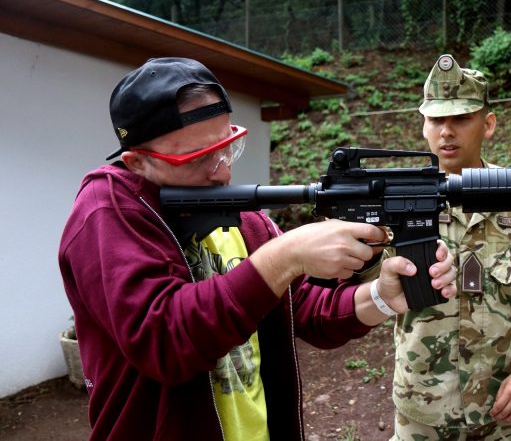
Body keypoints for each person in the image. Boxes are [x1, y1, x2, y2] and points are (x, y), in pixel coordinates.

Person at [57, 57, 457, 441]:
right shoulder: (106, 210)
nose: (224, 171)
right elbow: (166, 341)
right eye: (199, 159)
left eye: (227, 146)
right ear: (137, 162)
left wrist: (381, 296)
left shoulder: (239, 216)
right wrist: (285, 255)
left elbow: (302, 309)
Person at [387, 54, 511, 440]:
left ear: (487, 124)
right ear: (423, 126)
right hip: (421, 415)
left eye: (461, 119)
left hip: (501, 417)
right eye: (436, 120)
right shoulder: (395, 207)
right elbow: (354, 287)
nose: (446, 132)